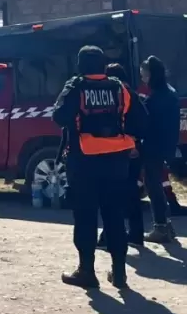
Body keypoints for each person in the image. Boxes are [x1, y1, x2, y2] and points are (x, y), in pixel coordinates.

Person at [52, 46, 148, 290]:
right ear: (103, 65)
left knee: (85, 216)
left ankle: (86, 271)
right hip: (117, 161)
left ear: (80, 65)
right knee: (114, 215)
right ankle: (119, 273)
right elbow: (141, 118)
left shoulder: (75, 86)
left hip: (84, 161)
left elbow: (60, 116)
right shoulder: (120, 87)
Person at [96, 63, 145, 248]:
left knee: (112, 194)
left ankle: (109, 236)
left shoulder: (117, 94)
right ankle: (136, 234)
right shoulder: (132, 93)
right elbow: (143, 120)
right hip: (133, 149)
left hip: (120, 150)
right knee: (131, 192)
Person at [138, 55, 180, 243]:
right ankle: (166, 224)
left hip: (155, 146)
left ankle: (161, 227)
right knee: (155, 184)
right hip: (165, 145)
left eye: (144, 75)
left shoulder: (159, 96)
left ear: (152, 74)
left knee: (153, 185)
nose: (143, 79)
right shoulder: (168, 91)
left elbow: (148, 121)